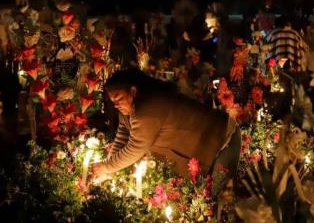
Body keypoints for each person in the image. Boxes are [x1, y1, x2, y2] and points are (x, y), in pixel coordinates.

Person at [91, 68, 241, 196]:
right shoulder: (128, 110)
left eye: (119, 99)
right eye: (113, 101)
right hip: (209, 143)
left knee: (220, 199)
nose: (116, 105)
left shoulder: (147, 109)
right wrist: (108, 166)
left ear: (133, 91)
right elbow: (123, 136)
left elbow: (136, 147)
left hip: (222, 140)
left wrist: (107, 166)